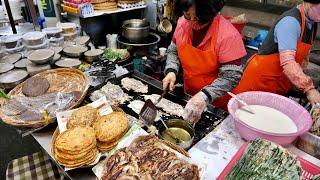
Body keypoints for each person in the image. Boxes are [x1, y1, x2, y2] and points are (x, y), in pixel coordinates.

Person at [214, 0, 320, 108]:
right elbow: (288, 62)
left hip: (278, 83)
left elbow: (304, 55)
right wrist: (309, 89)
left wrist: (301, 75)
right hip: (260, 82)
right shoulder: (291, 22)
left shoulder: (311, 22)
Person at [162, 0, 246, 124]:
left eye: (198, 18)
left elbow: (231, 76)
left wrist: (204, 96)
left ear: (210, 14)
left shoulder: (228, 35)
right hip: (189, 93)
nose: (191, 22)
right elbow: (173, 51)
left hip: (215, 102)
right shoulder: (182, 23)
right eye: (187, 15)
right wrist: (171, 70)